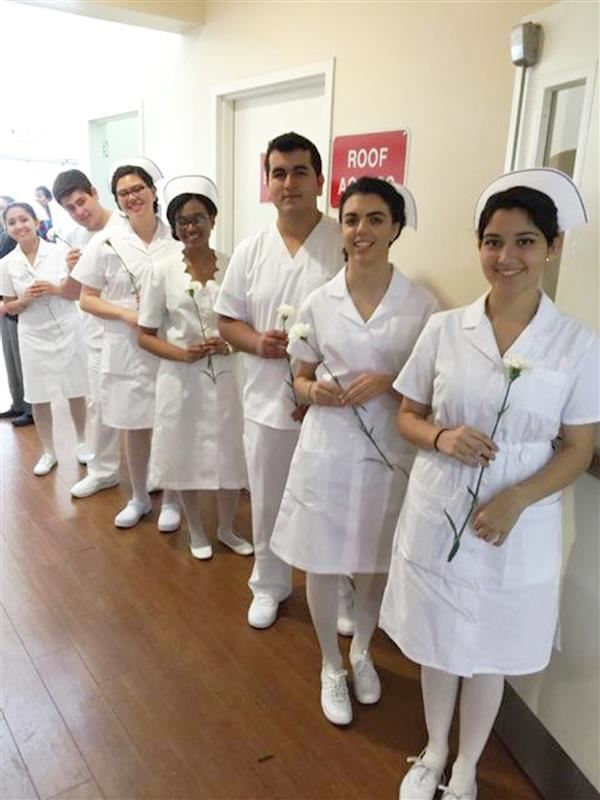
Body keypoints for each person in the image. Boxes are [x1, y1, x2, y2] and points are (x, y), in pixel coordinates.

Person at [379, 168, 599, 800]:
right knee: (439, 640)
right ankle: (433, 751)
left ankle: (469, 764)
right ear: (478, 247)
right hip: (441, 502)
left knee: (492, 647)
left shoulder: (577, 345)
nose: (507, 257)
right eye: (494, 241)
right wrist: (442, 437)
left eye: (526, 241)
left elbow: (578, 449)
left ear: (551, 247)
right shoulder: (445, 329)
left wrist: (517, 499)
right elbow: (406, 414)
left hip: (520, 519)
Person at [270, 177, 438, 725]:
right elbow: (297, 376)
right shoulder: (319, 300)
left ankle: (362, 649)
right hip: (328, 447)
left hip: (390, 450)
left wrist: (390, 380)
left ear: (395, 229)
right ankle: (329, 664)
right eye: (351, 219)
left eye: (374, 219)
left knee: (374, 560)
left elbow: (434, 386)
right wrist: (311, 390)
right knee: (321, 559)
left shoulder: (422, 306)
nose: (360, 230)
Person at [215, 131, 345, 629]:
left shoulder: (343, 243)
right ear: (267, 183)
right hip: (268, 401)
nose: (288, 182)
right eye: (279, 173)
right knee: (269, 499)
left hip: (328, 404)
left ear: (319, 180)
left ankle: (339, 589)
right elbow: (227, 320)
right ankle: (269, 583)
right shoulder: (251, 251)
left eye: (299, 172)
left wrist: (318, 384)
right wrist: (256, 343)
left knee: (330, 500)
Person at [138, 175, 252, 560]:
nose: (190, 227)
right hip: (181, 376)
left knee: (230, 451)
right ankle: (196, 530)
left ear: (213, 219)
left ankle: (226, 528)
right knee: (183, 451)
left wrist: (231, 342)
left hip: (227, 375)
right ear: (174, 226)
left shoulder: (234, 265)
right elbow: (145, 334)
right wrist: (182, 352)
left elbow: (245, 324)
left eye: (198, 218)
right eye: (182, 221)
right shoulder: (161, 271)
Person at [71, 157, 181, 531]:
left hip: (170, 347)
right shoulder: (106, 242)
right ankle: (138, 498)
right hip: (126, 348)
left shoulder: (176, 238)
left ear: (153, 191)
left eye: (138, 189)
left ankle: (173, 500)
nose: (132, 197)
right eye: (124, 193)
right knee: (134, 427)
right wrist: (125, 314)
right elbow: (86, 298)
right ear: (117, 201)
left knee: (171, 424)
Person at [0, 202, 89, 474]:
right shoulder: (5, 264)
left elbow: (77, 293)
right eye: (12, 222)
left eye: (24, 219)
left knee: (75, 388)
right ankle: (48, 451)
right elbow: (7, 307)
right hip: (32, 334)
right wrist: (24, 299)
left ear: (37, 222)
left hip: (67, 325)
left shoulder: (61, 252)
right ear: (6, 228)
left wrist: (55, 288)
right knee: (38, 396)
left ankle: (83, 443)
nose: (19, 226)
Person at [52, 169, 123, 499]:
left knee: (148, 405)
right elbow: (69, 293)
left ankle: (153, 471)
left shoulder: (124, 225)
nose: (79, 212)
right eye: (71, 208)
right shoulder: (73, 236)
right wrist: (71, 271)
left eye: (82, 202)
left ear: (94, 192)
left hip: (131, 328)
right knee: (100, 404)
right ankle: (104, 470)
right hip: (95, 334)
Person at [0, 194, 34, 426]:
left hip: (19, 307)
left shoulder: (11, 239)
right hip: (6, 304)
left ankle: (30, 408)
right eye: (9, 220)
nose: (16, 225)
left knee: (23, 360)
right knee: (11, 358)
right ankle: (17, 403)